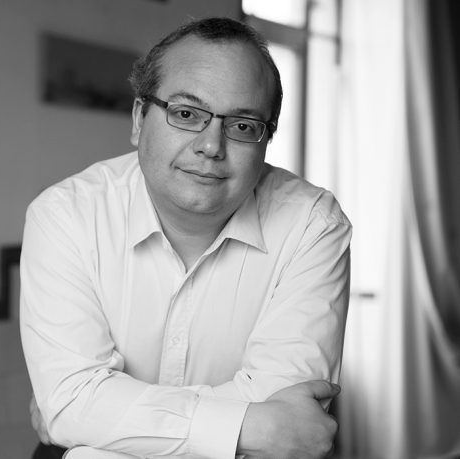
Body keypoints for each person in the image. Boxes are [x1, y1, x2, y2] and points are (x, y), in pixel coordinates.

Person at [20, 16, 351, 459]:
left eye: (242, 125)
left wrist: (95, 415)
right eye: (186, 114)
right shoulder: (65, 216)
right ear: (139, 118)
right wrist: (249, 426)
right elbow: (271, 428)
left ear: (266, 139)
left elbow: (290, 422)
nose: (211, 146)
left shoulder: (313, 225)